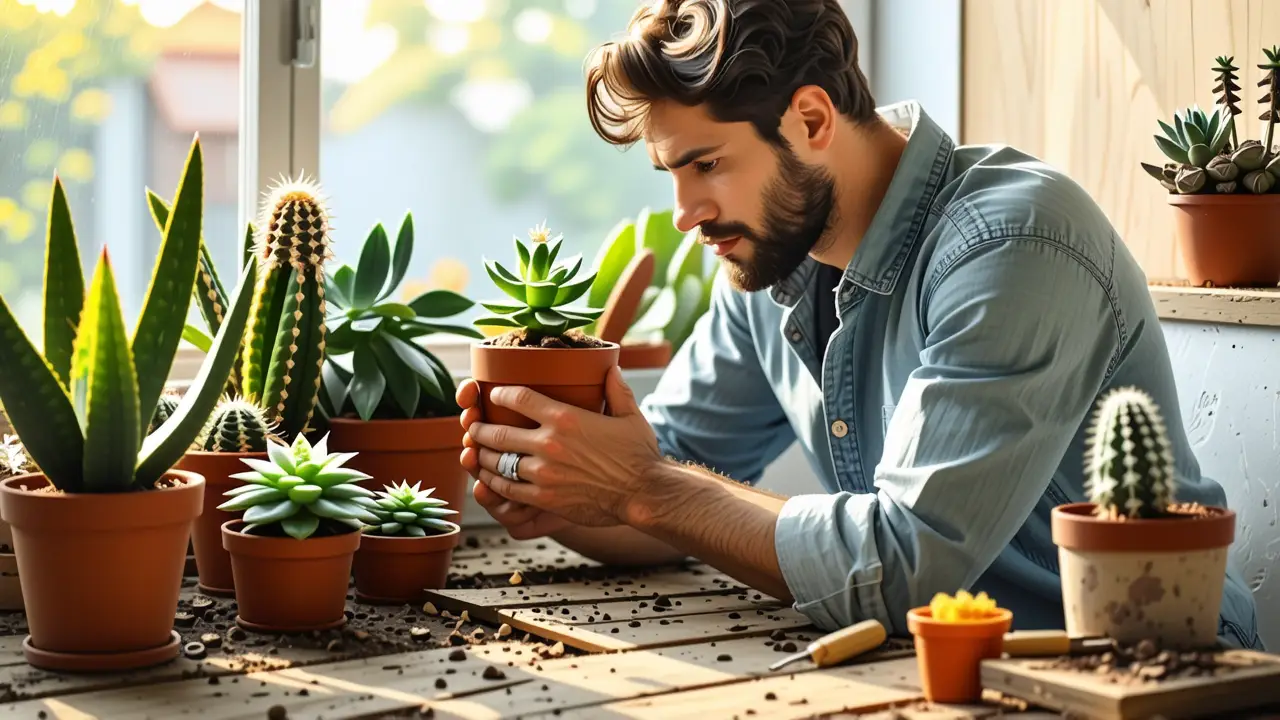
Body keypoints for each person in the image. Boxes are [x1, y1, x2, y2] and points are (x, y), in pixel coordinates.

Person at [455, 0, 1263, 648]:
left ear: (811, 121)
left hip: (1142, 670)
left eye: (706, 164)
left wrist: (636, 486)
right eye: (671, 173)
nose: (684, 213)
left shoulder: (1012, 242)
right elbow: (668, 487)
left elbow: (906, 563)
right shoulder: (769, 257)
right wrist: (569, 491)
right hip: (936, 671)